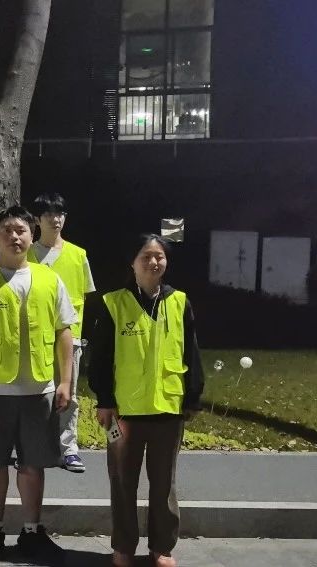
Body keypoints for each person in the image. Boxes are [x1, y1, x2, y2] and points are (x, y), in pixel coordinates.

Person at [0, 206, 76, 562]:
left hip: (39, 389)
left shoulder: (49, 279)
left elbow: (64, 332)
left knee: (33, 464)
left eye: (21, 230)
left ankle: (32, 531)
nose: (14, 236)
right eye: (6, 230)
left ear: (32, 236)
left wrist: (65, 382)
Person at [86, 234, 204, 567]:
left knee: (164, 484)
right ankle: (123, 547)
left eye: (159, 256)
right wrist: (104, 400)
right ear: (133, 262)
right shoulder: (113, 303)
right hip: (125, 412)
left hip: (168, 409)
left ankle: (161, 547)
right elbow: (100, 357)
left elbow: (191, 353)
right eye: (146, 256)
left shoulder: (179, 302)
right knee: (122, 482)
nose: (154, 262)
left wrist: (192, 396)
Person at [28, 192, 97, 473]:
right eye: (48, 215)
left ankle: (68, 448)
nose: (55, 220)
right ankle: (36, 447)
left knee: (69, 393)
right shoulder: (27, 254)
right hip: (34, 337)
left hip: (70, 336)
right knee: (35, 395)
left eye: (60, 214)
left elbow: (85, 295)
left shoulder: (78, 255)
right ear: (37, 220)